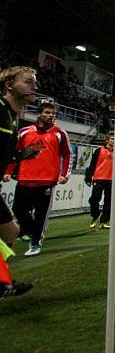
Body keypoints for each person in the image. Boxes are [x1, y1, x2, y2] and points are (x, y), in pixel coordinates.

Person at [3, 100, 71, 256]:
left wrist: (65, 175)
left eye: (53, 114)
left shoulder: (60, 133)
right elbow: (15, 153)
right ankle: (31, 231)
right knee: (18, 210)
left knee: (41, 214)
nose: (51, 116)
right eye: (47, 113)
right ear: (39, 114)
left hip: (47, 180)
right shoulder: (25, 132)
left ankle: (35, 244)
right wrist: (8, 170)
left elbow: (67, 155)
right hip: (25, 178)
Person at [0, 66, 40, 298]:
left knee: (11, 231)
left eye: (35, 83)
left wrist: (20, 156)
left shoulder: (12, 116)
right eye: (28, 82)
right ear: (9, 85)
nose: (34, 87)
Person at [84, 133, 115, 229]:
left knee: (109, 201)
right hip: (98, 178)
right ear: (107, 140)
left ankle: (104, 221)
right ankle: (95, 215)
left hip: (112, 180)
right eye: (112, 138)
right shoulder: (99, 150)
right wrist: (88, 178)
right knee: (94, 199)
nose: (114, 140)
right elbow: (92, 165)